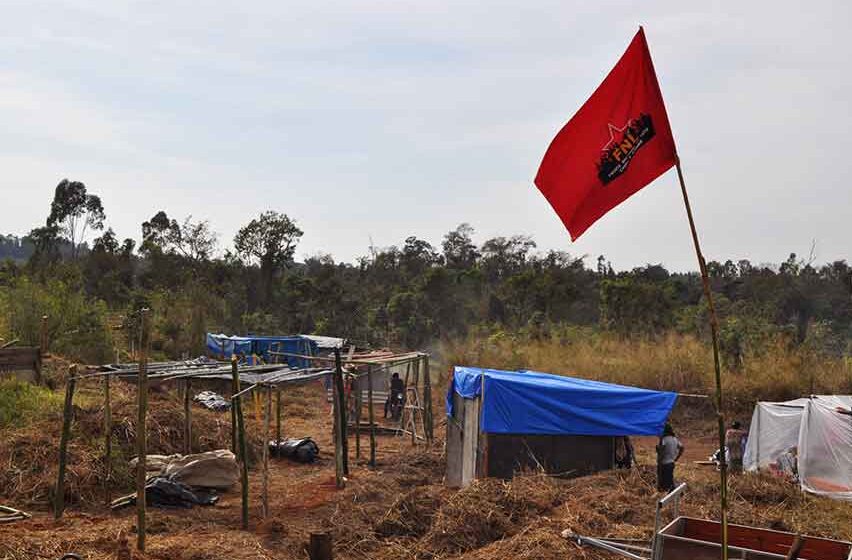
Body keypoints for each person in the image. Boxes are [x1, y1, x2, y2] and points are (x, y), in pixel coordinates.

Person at [656, 423, 684, 492]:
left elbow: (661, 451)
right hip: (671, 462)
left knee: (665, 482)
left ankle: (673, 493)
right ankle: (673, 492)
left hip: (664, 464)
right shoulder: (674, 439)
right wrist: (676, 458)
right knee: (669, 479)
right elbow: (682, 447)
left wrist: (658, 451)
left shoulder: (664, 439)